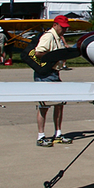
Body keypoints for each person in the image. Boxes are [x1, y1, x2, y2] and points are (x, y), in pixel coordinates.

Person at [33, 15, 72, 147]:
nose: (64, 30)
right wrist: (54, 57)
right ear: (55, 25)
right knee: (44, 106)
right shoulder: (48, 36)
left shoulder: (59, 37)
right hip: (45, 74)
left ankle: (58, 133)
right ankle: (41, 136)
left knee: (59, 104)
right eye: (62, 27)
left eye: (66, 28)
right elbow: (39, 52)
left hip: (54, 73)